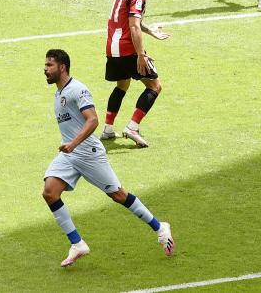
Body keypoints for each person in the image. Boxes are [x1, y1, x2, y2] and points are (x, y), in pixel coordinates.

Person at [42, 49, 174, 267]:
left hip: (87, 153)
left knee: (119, 195)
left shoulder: (77, 89)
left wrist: (73, 144)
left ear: (62, 67)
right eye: (46, 65)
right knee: (50, 192)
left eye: (49, 65)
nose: (45, 69)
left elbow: (93, 120)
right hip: (69, 155)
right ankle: (77, 244)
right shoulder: (59, 93)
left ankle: (160, 228)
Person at [101, 0, 170, 148]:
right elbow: (133, 26)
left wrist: (151, 31)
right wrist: (141, 54)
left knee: (122, 85)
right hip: (128, 49)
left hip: (112, 48)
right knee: (154, 86)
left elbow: (130, 21)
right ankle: (132, 127)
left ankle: (107, 129)